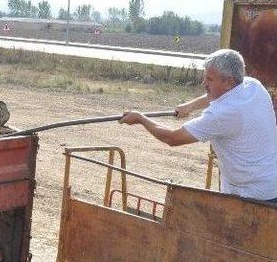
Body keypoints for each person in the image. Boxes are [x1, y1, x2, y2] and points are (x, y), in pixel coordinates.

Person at [119, 49, 277, 202]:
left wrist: (141, 119)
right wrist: (191, 105)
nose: (204, 83)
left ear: (229, 82)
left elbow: (172, 138)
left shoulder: (221, 114)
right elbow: (217, 96)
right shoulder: (253, 86)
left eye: (209, 79)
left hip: (254, 196)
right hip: (270, 182)